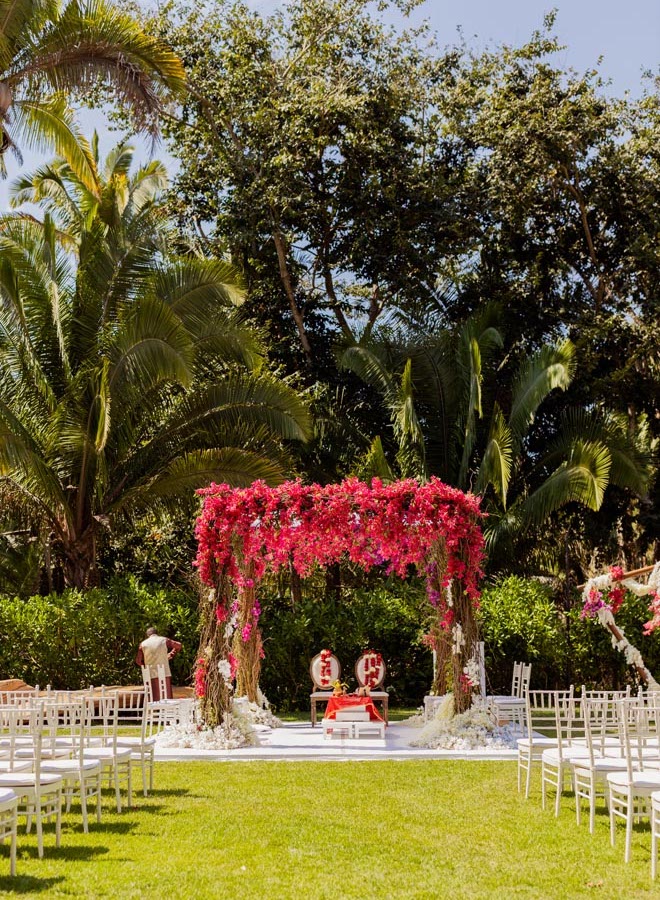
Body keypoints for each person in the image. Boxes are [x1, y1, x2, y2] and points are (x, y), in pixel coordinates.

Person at [136, 627, 182, 700]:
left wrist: (146, 665)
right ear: (157, 633)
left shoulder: (143, 644)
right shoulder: (164, 640)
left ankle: (154, 708)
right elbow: (178, 645)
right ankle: (167, 708)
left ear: (147, 635)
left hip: (150, 675)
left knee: (153, 696)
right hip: (164, 673)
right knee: (166, 696)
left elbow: (138, 661)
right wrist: (172, 654)